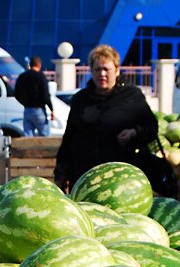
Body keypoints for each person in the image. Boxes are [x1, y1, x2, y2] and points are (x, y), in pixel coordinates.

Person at [54, 44, 159, 192]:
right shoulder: (81, 99)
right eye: (97, 69)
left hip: (120, 180)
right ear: (91, 71)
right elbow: (69, 137)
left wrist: (134, 133)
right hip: (84, 178)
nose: (102, 74)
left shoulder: (132, 97)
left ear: (116, 70)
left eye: (106, 69)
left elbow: (152, 128)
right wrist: (61, 173)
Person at [14, 56, 54, 136]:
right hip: (39, 109)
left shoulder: (22, 76)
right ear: (39, 65)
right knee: (44, 136)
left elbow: (16, 93)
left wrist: (24, 102)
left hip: (27, 109)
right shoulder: (41, 76)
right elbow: (45, 95)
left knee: (28, 136)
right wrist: (51, 108)